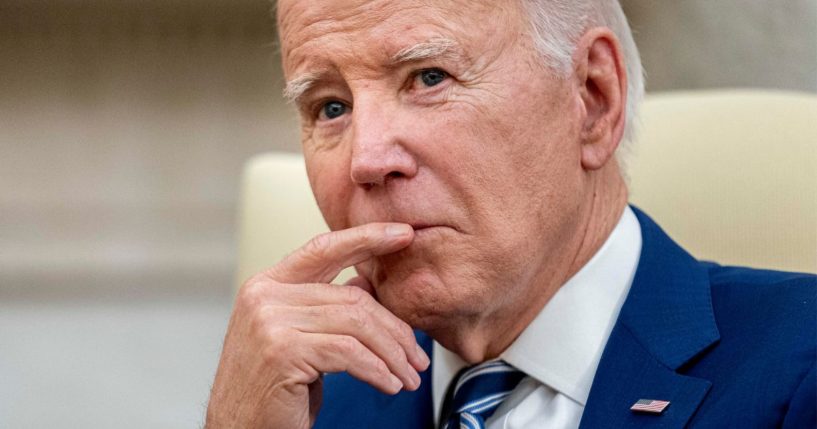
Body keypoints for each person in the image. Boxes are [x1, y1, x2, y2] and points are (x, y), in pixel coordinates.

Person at [205, 0, 816, 427]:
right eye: (331, 107)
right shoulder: (310, 409)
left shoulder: (798, 369)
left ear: (593, 99)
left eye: (428, 77)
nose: (367, 158)